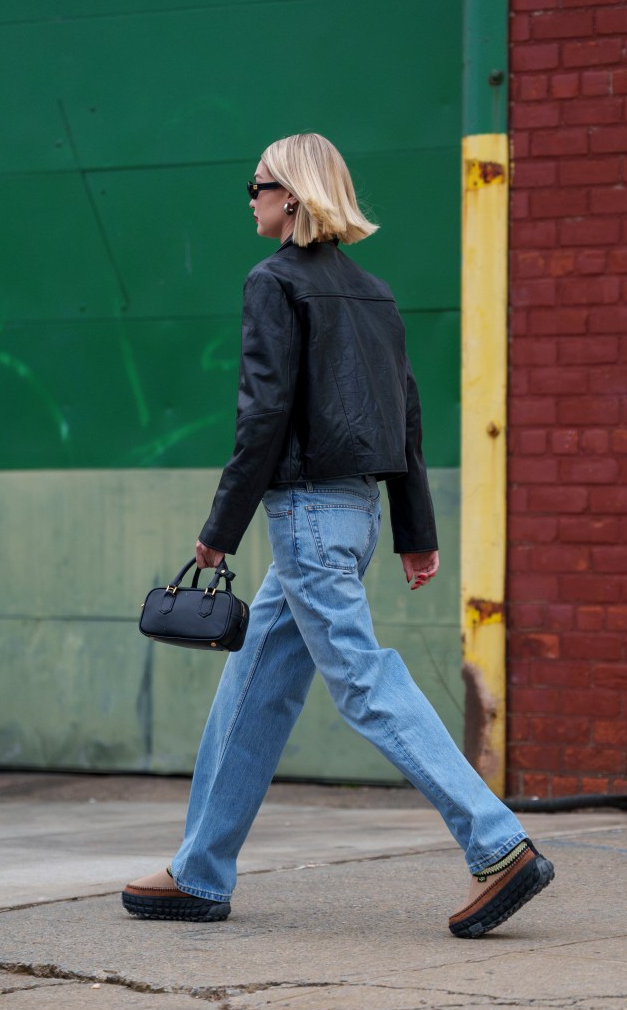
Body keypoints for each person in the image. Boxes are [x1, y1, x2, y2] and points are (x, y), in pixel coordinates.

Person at [122, 133, 554, 937]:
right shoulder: (375, 294)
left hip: (306, 519)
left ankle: (497, 845)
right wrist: (411, 531)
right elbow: (407, 419)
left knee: (362, 681)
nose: (247, 199)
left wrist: (219, 530)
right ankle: (199, 870)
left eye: (256, 185)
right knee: (252, 685)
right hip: (349, 516)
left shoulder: (272, 283)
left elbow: (263, 416)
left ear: (290, 196)